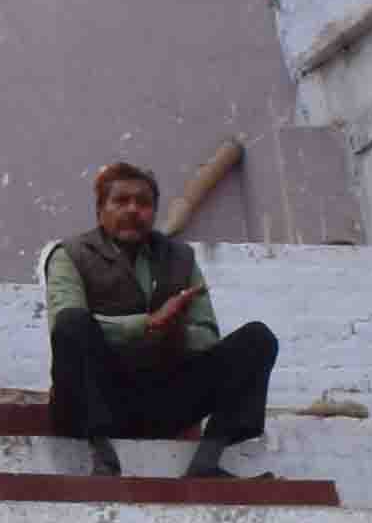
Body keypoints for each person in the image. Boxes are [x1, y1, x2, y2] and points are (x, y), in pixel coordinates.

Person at [40, 159, 278, 480]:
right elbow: (64, 323)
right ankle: (102, 455)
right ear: (100, 210)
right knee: (72, 324)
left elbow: (206, 333)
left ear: (153, 211)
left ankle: (206, 461)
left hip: (161, 401)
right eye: (121, 201)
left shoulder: (180, 258)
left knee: (257, 340)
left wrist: (174, 332)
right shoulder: (70, 255)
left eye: (143, 202)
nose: (133, 210)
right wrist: (147, 324)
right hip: (98, 399)